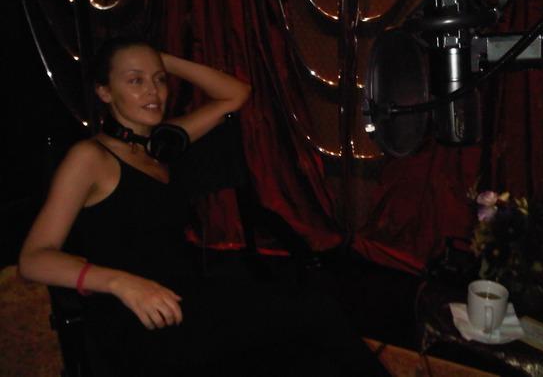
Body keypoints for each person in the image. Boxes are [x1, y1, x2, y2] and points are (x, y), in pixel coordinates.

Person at [18, 37, 391, 376]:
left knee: (313, 320)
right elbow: (33, 259)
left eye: (159, 79)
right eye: (135, 81)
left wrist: (159, 59)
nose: (153, 91)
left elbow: (236, 93)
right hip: (135, 317)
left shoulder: (162, 143)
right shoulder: (89, 157)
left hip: (187, 296)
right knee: (306, 326)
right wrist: (120, 283)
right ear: (104, 91)